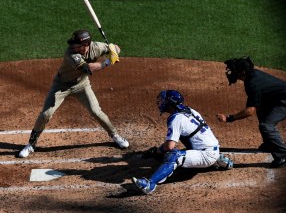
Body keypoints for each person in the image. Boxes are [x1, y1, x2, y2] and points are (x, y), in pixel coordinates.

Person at [17, 29, 129, 158]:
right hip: (61, 85)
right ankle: (31, 144)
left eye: (76, 44)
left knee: (96, 112)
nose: (72, 46)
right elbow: (87, 68)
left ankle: (115, 136)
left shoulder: (96, 47)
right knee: (46, 114)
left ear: (85, 45)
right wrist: (108, 62)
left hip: (82, 85)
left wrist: (113, 50)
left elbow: (116, 48)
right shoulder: (70, 53)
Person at [132, 89, 233, 195]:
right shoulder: (190, 110)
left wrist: (157, 151)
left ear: (170, 104)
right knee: (187, 139)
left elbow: (170, 146)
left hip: (206, 155)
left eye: (164, 100)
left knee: (173, 155)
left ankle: (149, 184)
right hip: (212, 147)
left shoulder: (175, 119)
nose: (161, 102)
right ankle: (217, 159)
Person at [215, 57, 286, 168]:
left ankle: (284, 155)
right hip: (280, 98)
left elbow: (250, 111)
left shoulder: (252, 83)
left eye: (235, 70)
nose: (231, 72)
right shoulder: (252, 75)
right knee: (261, 112)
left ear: (243, 72)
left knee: (266, 125)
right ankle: (270, 143)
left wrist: (229, 118)